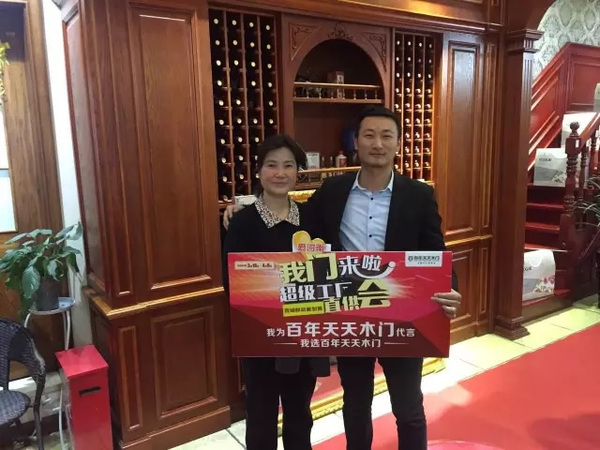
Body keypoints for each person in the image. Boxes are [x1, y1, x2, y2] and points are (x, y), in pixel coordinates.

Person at [224, 106, 461, 450]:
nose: (377, 144)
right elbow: (284, 210)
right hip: (352, 317)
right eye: (369, 135)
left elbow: (436, 251)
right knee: (356, 405)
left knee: (409, 408)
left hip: (403, 319)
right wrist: (242, 206)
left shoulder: (418, 195)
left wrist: (450, 288)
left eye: (386, 136)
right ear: (356, 143)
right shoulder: (333, 191)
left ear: (397, 143)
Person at [222, 134, 330, 450]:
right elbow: (232, 283)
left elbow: (325, 271)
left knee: (300, 414)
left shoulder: (312, 218)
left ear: (298, 172)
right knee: (260, 416)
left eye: (288, 166)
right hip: (261, 337)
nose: (280, 173)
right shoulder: (242, 223)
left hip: (302, 334)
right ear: (259, 171)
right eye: (272, 165)